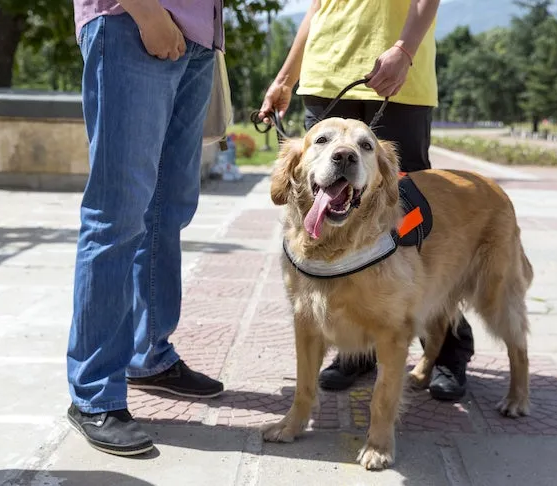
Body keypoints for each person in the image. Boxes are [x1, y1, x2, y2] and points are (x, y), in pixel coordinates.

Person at [259, 0, 475, 401]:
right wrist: (287, 78)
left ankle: (447, 350)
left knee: (415, 235)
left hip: (398, 74)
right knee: (332, 230)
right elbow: (317, 8)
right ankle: (356, 352)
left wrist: (405, 50)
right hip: (326, 76)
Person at [66, 0, 225, 456]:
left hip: (197, 36)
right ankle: (94, 393)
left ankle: (148, 354)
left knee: (166, 211)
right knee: (116, 215)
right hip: (133, 22)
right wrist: (146, 12)